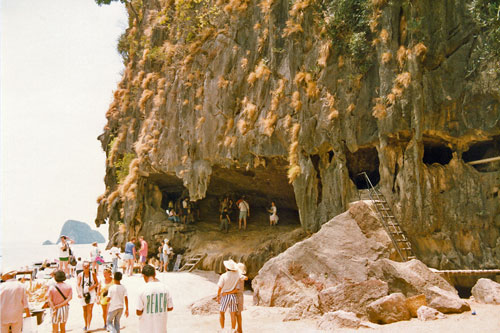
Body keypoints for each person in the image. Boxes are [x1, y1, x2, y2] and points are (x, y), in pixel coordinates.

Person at [136, 265, 173, 332]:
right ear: (155, 274)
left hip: (146, 329)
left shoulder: (142, 289)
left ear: (143, 275)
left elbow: (138, 312)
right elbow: (170, 308)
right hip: (161, 329)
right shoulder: (165, 287)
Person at [0, 268, 31, 333]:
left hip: (3, 315)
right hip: (16, 314)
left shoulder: (1, 286)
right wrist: (28, 314)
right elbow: (25, 302)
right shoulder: (20, 286)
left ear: (6, 276)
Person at [217, 259, 240, 332]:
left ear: (227, 268)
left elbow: (220, 287)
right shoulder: (237, 275)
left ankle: (222, 329)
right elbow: (237, 289)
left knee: (221, 312)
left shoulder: (223, 276)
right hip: (233, 296)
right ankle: (233, 329)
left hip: (225, 296)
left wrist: (218, 296)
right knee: (233, 314)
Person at [77, 261, 99, 331]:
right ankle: (85, 324)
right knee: (84, 310)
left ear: (89, 266)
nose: (86, 267)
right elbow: (78, 285)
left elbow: (96, 283)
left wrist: (91, 288)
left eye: (87, 266)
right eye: (84, 266)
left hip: (91, 293)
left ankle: (88, 325)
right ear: (82, 267)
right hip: (83, 293)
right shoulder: (80, 275)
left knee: (89, 310)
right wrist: (79, 293)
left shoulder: (92, 274)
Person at [235, 263, 248, 333]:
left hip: (236, 295)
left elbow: (245, 278)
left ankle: (238, 329)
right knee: (238, 314)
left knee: (235, 313)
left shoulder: (239, 276)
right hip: (240, 295)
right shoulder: (240, 276)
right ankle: (239, 328)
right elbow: (246, 278)